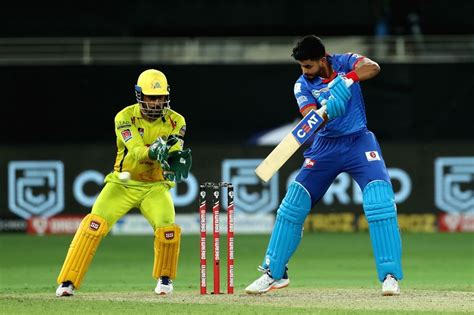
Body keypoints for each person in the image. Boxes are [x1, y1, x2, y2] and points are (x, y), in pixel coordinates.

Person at [245, 35, 403, 296]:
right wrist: (329, 110)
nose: (304, 71)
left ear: (323, 59)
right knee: (293, 204)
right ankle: (274, 274)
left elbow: (373, 67)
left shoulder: (346, 61)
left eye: (308, 66)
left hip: (358, 141)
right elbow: (310, 121)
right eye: (301, 66)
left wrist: (348, 78)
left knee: (379, 202)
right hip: (325, 146)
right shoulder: (301, 85)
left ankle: (390, 276)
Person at [55, 69, 192, 297]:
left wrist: (173, 159)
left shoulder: (176, 120)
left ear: (166, 96)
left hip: (155, 187)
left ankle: (165, 279)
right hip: (122, 184)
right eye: (151, 97)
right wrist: (158, 150)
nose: (156, 103)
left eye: (159, 97)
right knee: (93, 226)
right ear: (140, 95)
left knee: (167, 228)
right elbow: (138, 152)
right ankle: (68, 281)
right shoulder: (124, 117)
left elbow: (174, 150)